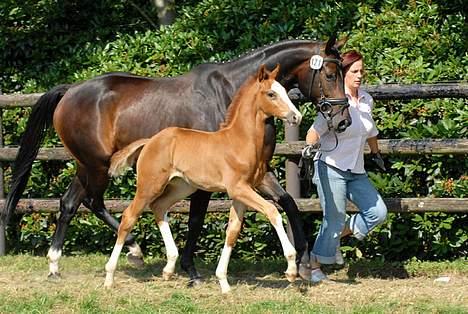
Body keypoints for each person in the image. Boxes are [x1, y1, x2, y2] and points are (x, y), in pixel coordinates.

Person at [305, 50, 388, 283]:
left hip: (356, 169)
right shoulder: (335, 101)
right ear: (343, 73)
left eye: (362, 71)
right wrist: (310, 147)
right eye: (354, 71)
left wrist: (376, 153)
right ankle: (313, 265)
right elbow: (314, 132)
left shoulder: (366, 100)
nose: (359, 75)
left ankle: (331, 240)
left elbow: (370, 130)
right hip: (330, 166)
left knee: (378, 213)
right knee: (334, 218)